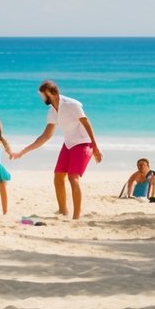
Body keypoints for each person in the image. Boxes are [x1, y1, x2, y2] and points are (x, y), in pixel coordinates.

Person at [13, 80, 103, 220]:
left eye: (43, 95)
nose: (42, 98)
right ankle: (63, 211)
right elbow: (46, 136)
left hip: (83, 143)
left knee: (73, 177)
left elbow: (86, 122)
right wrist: (23, 151)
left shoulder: (72, 105)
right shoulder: (52, 111)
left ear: (52, 93)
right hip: (68, 144)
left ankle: (76, 217)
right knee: (58, 177)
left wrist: (95, 146)